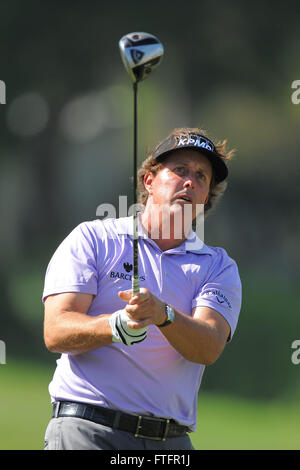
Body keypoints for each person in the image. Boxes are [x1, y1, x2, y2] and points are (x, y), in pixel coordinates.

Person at [42, 127, 242, 451]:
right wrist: (113, 326)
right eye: (180, 170)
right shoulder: (94, 239)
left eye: (202, 177)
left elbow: (208, 346)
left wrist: (162, 314)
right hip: (87, 429)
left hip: (170, 441)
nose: (190, 181)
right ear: (149, 181)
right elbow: (56, 330)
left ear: (206, 197)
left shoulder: (218, 266)